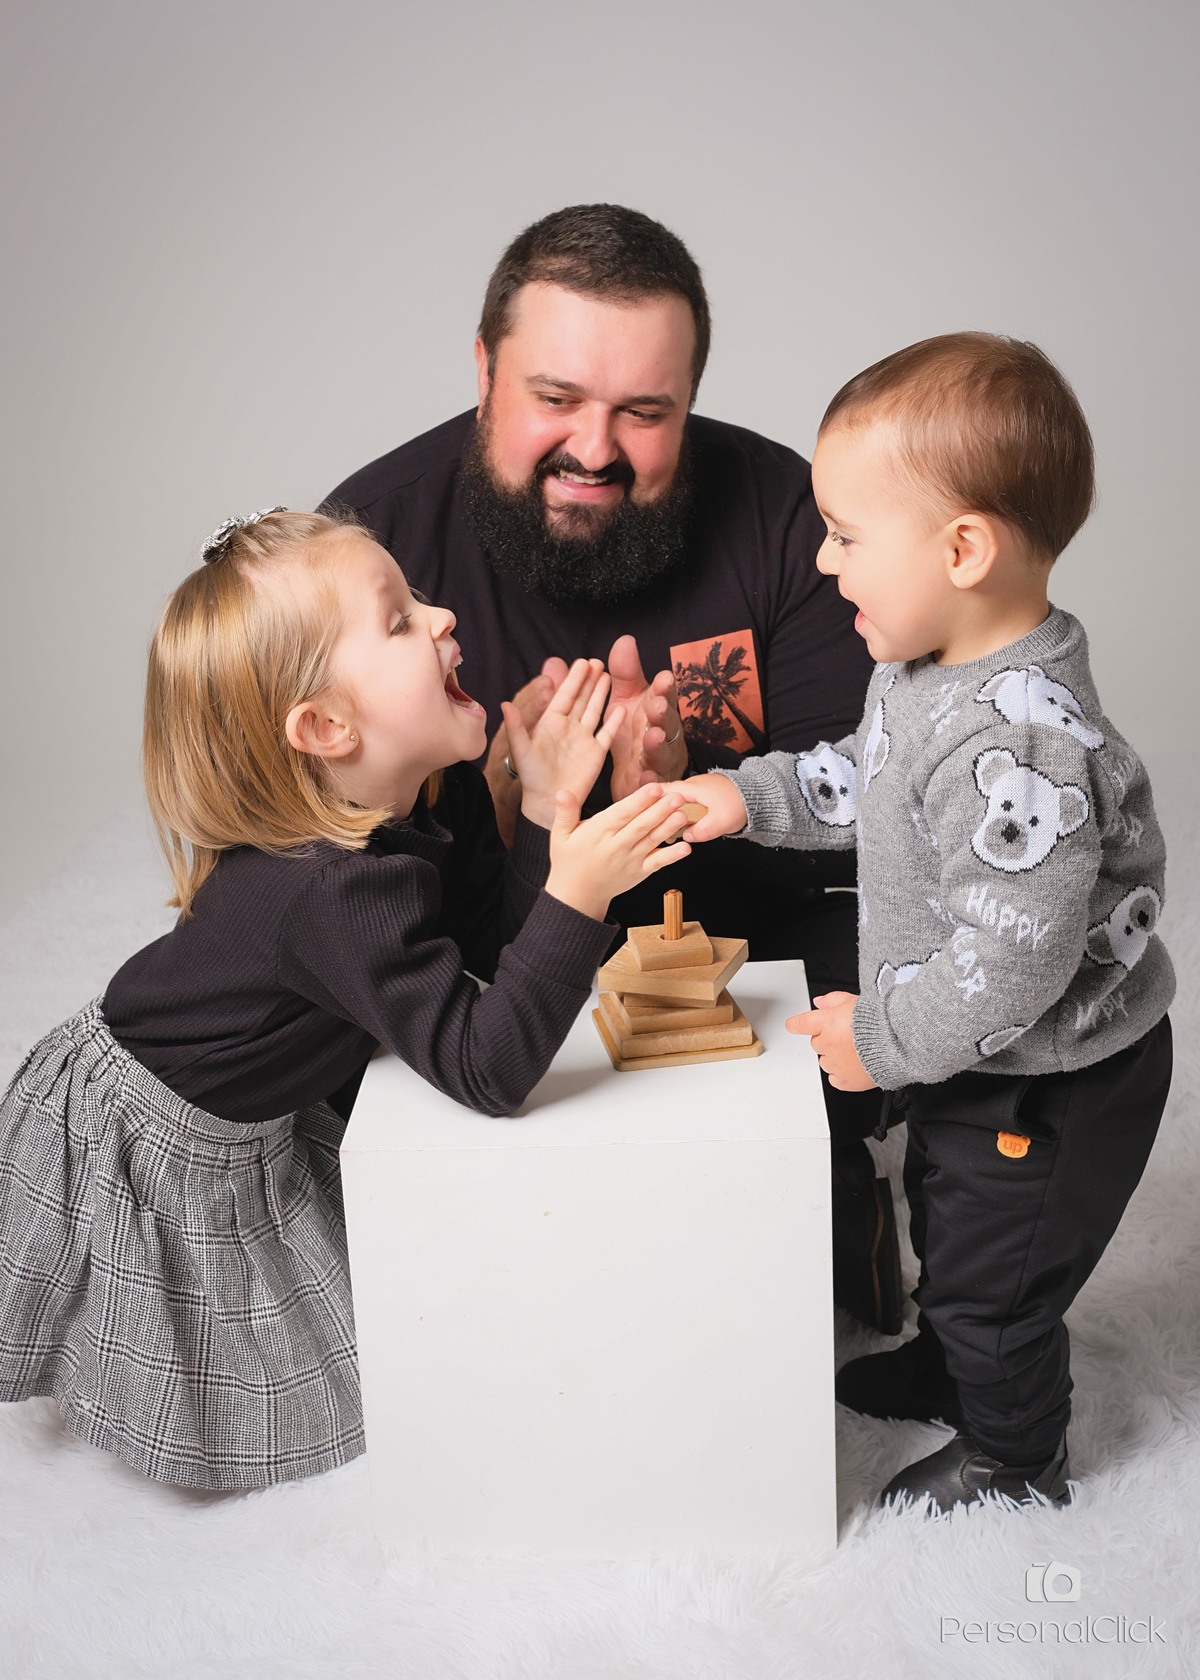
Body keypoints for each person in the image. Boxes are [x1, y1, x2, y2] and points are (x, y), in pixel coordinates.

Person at [0, 508, 692, 1491]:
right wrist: (580, 891)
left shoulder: (431, 795)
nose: (444, 616)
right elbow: (487, 1066)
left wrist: (543, 807)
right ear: (328, 727)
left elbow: (485, 960)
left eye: (419, 598)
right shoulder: (329, 891)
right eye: (400, 619)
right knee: (266, 1375)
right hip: (146, 1129)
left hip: (263, 1091)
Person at [323, 203, 903, 1335]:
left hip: (741, 933)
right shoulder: (368, 544)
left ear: (689, 399)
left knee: (902, 943)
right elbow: (329, 854)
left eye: (644, 412)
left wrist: (683, 789)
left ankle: (825, 1184)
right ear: (484, 371)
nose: (595, 449)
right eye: (556, 398)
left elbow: (868, 805)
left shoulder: (789, 515)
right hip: (482, 947)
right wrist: (511, 802)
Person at [673, 332, 1175, 1512]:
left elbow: (1017, 961)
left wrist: (882, 1039)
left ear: (961, 550)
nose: (822, 558)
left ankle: (1015, 1457)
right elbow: (866, 779)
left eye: (846, 534)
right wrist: (740, 797)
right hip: (969, 1052)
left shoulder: (1019, 739)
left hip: (1048, 1080)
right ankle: (950, 1361)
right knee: (945, 1217)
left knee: (998, 1280)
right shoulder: (928, 668)